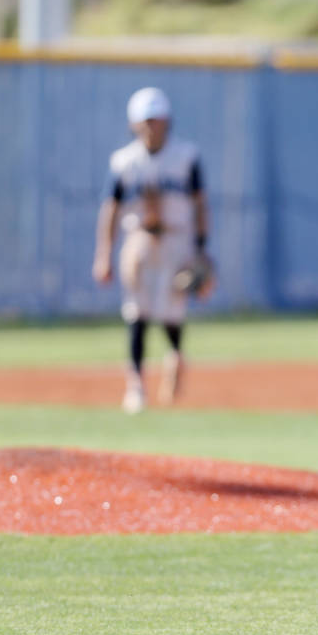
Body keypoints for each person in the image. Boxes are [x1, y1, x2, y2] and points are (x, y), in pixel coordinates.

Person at [91, 87, 211, 414]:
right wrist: (104, 253)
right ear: (134, 124)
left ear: (167, 121)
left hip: (177, 238)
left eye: (157, 120)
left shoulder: (186, 156)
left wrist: (201, 247)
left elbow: (200, 204)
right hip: (139, 239)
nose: (152, 126)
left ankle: (175, 357)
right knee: (137, 313)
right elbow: (111, 209)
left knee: (172, 310)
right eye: (146, 121)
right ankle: (136, 387)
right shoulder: (124, 161)